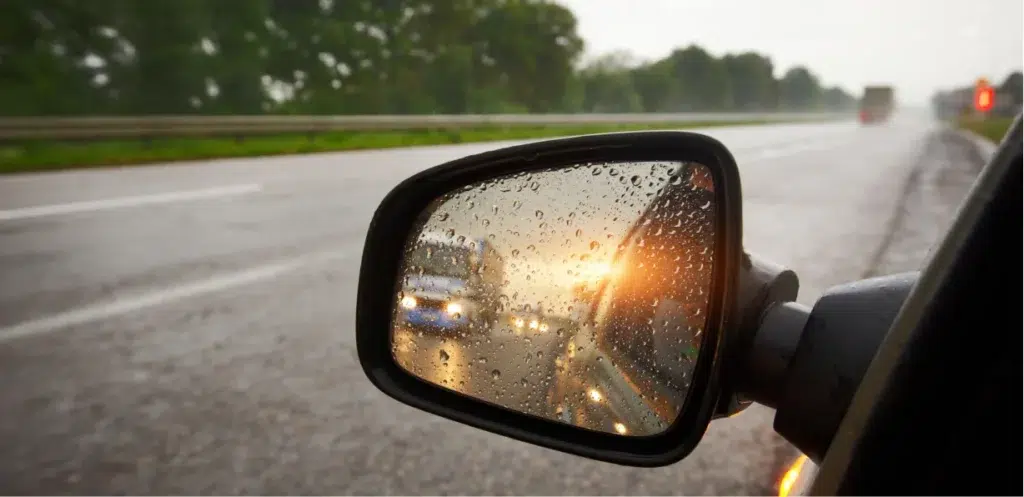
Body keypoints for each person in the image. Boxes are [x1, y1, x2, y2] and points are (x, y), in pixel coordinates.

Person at [589, 162, 716, 392]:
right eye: (703, 178)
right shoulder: (669, 317)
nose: (707, 187)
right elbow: (683, 372)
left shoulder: (686, 208)